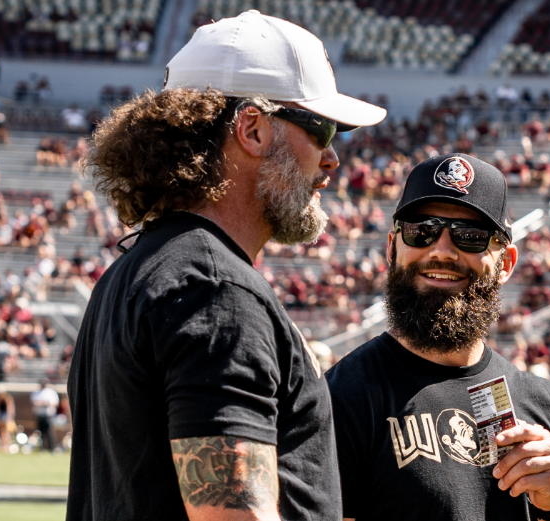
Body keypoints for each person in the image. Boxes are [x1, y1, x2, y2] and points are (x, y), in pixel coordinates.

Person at [66, 10, 385, 521]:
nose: (332, 160)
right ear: (253, 130)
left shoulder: (134, 272)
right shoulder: (215, 291)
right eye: (322, 129)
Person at [326, 154, 550, 521]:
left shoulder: (549, 404)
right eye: (422, 230)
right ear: (392, 249)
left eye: (470, 237)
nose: (441, 250)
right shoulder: (339, 396)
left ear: (507, 264)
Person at [30, 378, 60, 451]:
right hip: (40, 415)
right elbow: (34, 402)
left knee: (50, 431)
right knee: (40, 432)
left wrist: (44, 403)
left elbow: (56, 403)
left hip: (48, 415)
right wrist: (44, 403)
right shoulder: (36, 392)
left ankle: (52, 447)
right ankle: (42, 448)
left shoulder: (51, 392)